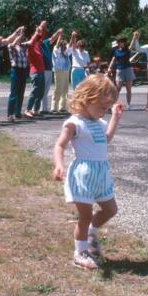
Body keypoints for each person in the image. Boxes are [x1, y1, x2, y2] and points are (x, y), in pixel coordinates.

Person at [52, 75, 124, 271]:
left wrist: (115, 119)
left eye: (107, 108)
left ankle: (91, 233)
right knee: (85, 216)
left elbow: (106, 139)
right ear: (86, 99)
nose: (104, 112)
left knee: (111, 210)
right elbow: (60, 145)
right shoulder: (74, 123)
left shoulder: (98, 122)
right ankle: (80, 252)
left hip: (101, 173)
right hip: (83, 175)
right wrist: (59, 165)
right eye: (102, 107)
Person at [25, 22, 50, 118]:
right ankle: (27, 109)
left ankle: (36, 110)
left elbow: (42, 36)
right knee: (34, 91)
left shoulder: (38, 47)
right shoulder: (31, 47)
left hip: (41, 72)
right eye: (38, 40)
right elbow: (32, 41)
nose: (40, 41)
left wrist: (43, 28)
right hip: (35, 73)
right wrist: (36, 32)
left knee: (40, 92)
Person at [6, 27, 28, 122]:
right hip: (16, 70)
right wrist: (20, 34)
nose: (21, 37)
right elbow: (14, 43)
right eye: (18, 36)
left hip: (23, 71)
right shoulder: (11, 45)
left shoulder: (22, 47)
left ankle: (17, 112)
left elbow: (31, 42)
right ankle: (10, 114)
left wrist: (37, 32)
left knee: (21, 93)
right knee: (14, 93)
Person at [106, 36, 135, 110]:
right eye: (118, 42)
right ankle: (114, 105)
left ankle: (128, 105)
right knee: (117, 88)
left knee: (129, 89)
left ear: (124, 43)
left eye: (120, 42)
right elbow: (113, 60)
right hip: (120, 70)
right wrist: (109, 67)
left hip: (128, 69)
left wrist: (134, 37)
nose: (119, 43)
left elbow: (132, 45)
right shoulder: (116, 51)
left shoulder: (128, 50)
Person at [51, 33, 72, 113]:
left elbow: (70, 45)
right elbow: (57, 44)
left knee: (65, 89)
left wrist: (72, 35)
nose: (64, 47)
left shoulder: (66, 51)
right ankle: (54, 107)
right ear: (60, 45)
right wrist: (60, 35)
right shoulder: (56, 50)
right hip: (58, 70)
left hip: (66, 71)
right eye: (63, 45)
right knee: (58, 88)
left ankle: (62, 107)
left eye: (65, 46)